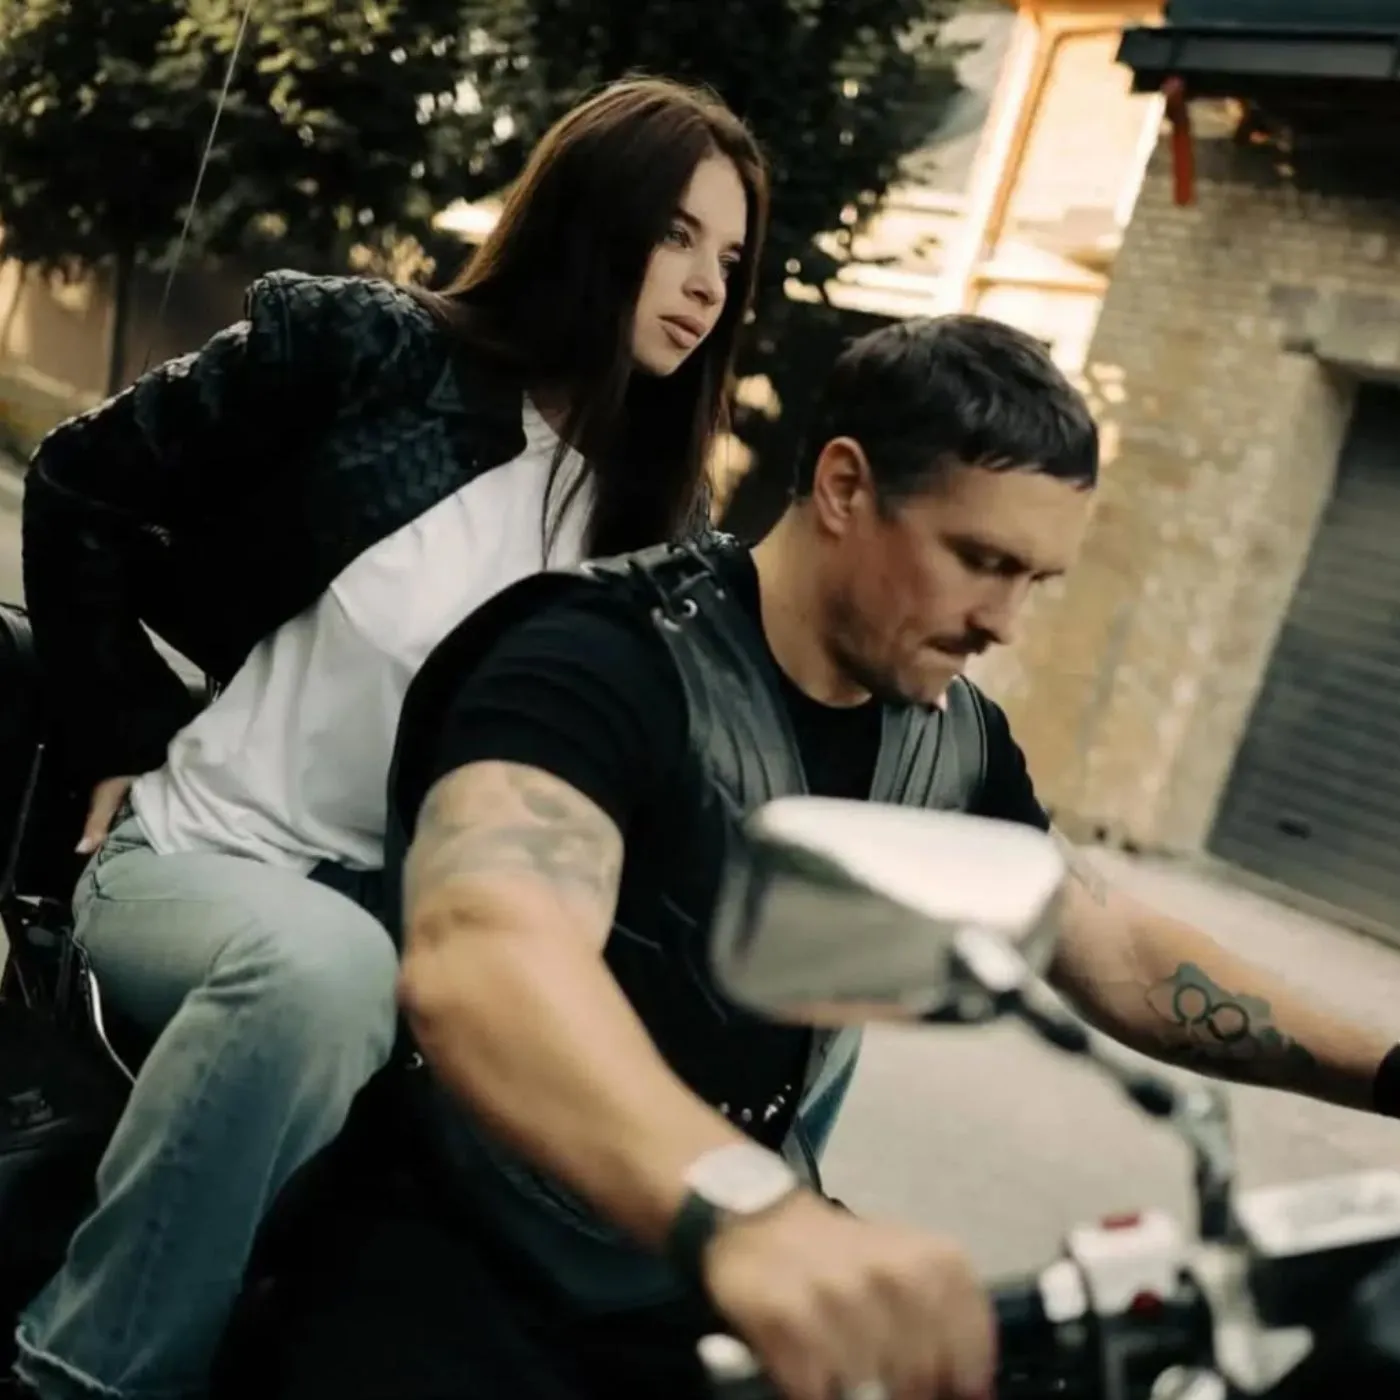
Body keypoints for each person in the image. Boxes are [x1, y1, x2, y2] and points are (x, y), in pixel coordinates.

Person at [275, 311, 1400, 1400]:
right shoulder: (593, 657)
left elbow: (1120, 953)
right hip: (468, 1270)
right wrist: (747, 1211)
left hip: (714, 1285)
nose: (1005, 621)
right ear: (845, 487)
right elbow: (485, 955)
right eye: (980, 559)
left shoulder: (950, 735)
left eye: (1034, 580)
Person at [11, 75, 769, 1400]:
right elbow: (81, 485)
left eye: (732, 258)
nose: (707, 285)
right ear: (591, 222)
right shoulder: (368, 355)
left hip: (431, 953)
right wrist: (118, 735)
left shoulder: (666, 544)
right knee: (324, 970)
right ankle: (80, 1373)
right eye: (675, 235)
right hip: (200, 861)